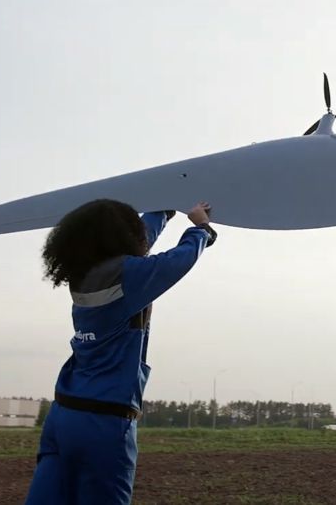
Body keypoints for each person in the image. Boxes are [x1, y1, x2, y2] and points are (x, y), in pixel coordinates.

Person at [25, 198, 218, 505]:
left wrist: (163, 210)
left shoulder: (83, 274)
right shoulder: (129, 277)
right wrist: (201, 230)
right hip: (104, 423)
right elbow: (177, 261)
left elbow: (139, 245)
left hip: (62, 416)